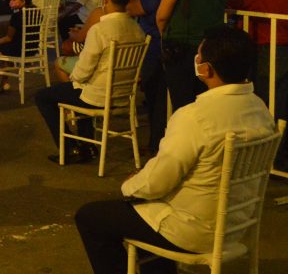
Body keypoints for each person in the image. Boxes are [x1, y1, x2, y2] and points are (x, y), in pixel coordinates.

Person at [74, 26, 277, 274]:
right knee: (143, 207)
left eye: (199, 56)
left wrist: (130, 185)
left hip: (193, 229)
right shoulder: (261, 110)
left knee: (91, 217)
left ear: (206, 69)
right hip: (238, 223)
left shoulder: (195, 117)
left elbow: (158, 182)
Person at [34, 0, 145, 164]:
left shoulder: (100, 30)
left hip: (98, 96)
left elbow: (82, 72)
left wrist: (74, 75)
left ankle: (70, 148)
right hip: (123, 95)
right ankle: (87, 146)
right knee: (80, 88)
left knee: (44, 96)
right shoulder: (137, 29)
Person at [226, 0, 288, 150]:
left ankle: (267, 149)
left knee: (265, 100)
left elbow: (230, 2)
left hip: (266, 50)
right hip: (281, 48)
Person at [128, 0, 167, 152]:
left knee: (155, 98)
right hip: (164, 48)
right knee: (160, 98)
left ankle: (156, 142)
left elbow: (129, 7)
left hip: (154, 51)